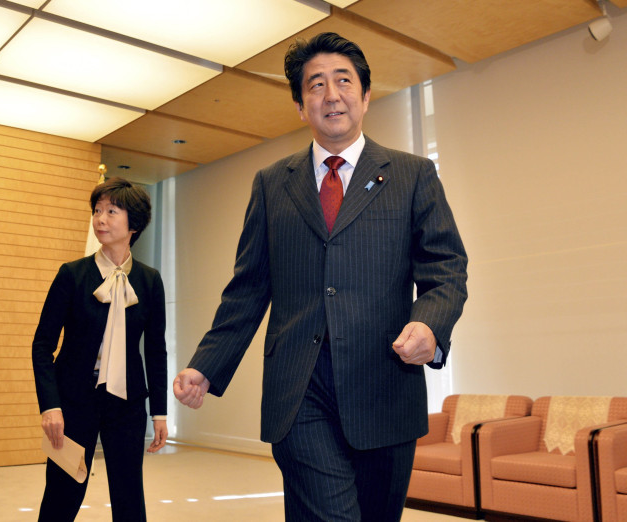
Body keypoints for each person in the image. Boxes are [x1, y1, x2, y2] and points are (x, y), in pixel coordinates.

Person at [174, 32, 467, 521]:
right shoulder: (271, 184)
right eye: (315, 85)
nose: (331, 94)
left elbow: (446, 268)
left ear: (366, 95)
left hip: (384, 385)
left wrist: (430, 326)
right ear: (299, 105)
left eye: (343, 81)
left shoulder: (412, 175)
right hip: (299, 389)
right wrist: (207, 363)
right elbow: (249, 287)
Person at [32, 177, 167, 521]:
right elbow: (43, 345)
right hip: (74, 401)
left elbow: (155, 350)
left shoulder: (150, 280)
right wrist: (50, 406)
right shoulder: (72, 275)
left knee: (129, 496)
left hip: (127, 403)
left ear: (133, 223)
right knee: (63, 493)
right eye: (97, 211)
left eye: (111, 211)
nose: (100, 219)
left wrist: (160, 412)